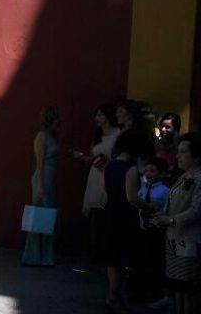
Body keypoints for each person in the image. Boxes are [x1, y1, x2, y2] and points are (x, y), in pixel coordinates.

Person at [102, 130, 155, 313]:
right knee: (124, 257)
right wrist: (149, 206)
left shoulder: (110, 166)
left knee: (112, 258)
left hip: (110, 212)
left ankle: (112, 294)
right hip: (125, 215)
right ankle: (116, 296)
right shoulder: (130, 169)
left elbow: (106, 190)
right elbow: (132, 197)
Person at [154, 132, 201, 314]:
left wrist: (172, 219)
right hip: (174, 237)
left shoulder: (198, 178)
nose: (179, 156)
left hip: (189, 238)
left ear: (196, 156)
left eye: (183, 152)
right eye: (178, 151)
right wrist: (163, 215)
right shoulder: (183, 177)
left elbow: (197, 209)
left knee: (187, 287)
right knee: (177, 286)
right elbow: (174, 203)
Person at [73, 104, 120, 259]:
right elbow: (91, 157)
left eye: (100, 115)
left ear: (108, 116)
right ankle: (95, 252)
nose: (97, 118)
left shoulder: (118, 135)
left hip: (109, 173)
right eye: (96, 115)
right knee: (94, 213)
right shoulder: (97, 135)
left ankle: (106, 250)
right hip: (95, 173)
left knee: (107, 211)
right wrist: (79, 156)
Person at [22, 106, 60, 267]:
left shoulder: (52, 136)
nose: (59, 124)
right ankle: (34, 256)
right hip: (42, 178)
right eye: (57, 121)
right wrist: (41, 186)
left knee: (48, 216)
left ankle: (46, 256)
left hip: (50, 178)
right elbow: (40, 163)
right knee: (39, 216)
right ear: (52, 121)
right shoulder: (41, 137)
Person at [134, 158, 170, 303]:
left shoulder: (165, 190)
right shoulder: (142, 188)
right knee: (140, 261)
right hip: (141, 229)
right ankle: (139, 291)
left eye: (153, 171)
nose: (148, 173)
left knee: (155, 263)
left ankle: (154, 292)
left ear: (161, 173)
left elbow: (167, 208)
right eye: (147, 170)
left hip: (156, 230)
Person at [156, 112, 182, 185]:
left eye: (168, 127)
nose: (163, 129)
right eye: (162, 126)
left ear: (176, 129)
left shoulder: (181, 145)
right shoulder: (157, 144)